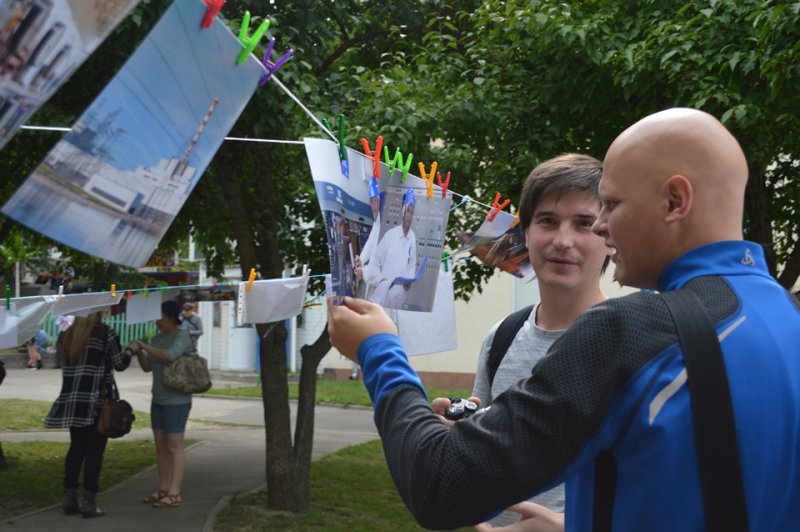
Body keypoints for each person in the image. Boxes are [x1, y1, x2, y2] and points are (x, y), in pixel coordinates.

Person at [327, 108, 800, 530]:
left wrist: (379, 350)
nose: (600, 227)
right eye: (548, 221)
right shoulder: (784, 319)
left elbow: (440, 485)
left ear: (675, 201)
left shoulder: (632, 332)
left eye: (610, 206)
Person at [465, 153, 613, 525]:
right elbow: (482, 455)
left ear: (610, 238)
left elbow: (659, 490)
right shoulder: (500, 337)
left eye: (583, 224)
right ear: (526, 233)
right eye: (548, 221)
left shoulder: (631, 344)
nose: (563, 241)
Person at [44, 311, 132, 518]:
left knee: (76, 448)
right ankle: (89, 502)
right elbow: (120, 364)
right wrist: (131, 349)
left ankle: (70, 499)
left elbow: (60, 361)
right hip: (97, 402)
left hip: (73, 401)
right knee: (94, 451)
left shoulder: (66, 334)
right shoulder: (105, 334)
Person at [130, 300, 193, 509]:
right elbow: (148, 367)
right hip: (158, 398)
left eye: (161, 317)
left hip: (177, 400)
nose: (157, 321)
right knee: (161, 446)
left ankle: (175, 492)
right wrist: (139, 351)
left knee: (174, 446)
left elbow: (169, 356)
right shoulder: (158, 338)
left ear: (171, 317)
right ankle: (163, 488)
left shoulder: (181, 335)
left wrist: (145, 345)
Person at [368, 187, 418, 308]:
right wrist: (382, 280)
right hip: (383, 299)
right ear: (402, 212)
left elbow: (412, 264)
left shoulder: (412, 237)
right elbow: (374, 263)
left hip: (400, 299)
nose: (409, 216)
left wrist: (409, 281)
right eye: (408, 211)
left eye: (412, 212)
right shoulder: (390, 235)